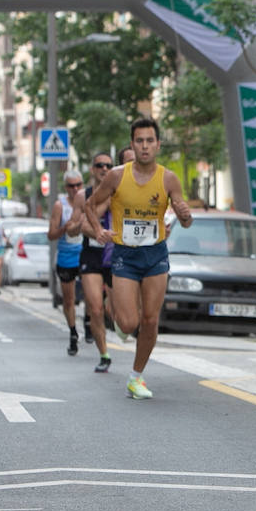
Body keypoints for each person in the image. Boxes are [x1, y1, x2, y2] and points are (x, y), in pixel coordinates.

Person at [88, 117, 193, 400]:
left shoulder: (169, 178)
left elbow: (186, 221)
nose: (145, 146)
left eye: (150, 141)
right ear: (132, 144)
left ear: (158, 145)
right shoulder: (117, 176)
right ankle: (117, 305)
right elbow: (91, 204)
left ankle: (135, 377)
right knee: (128, 324)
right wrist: (98, 230)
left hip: (155, 253)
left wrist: (185, 215)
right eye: (139, 141)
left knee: (149, 319)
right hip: (125, 254)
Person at [78, 152, 115, 373]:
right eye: (100, 165)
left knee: (116, 312)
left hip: (115, 255)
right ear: (93, 169)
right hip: (91, 255)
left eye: (108, 165)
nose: (104, 169)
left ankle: (120, 328)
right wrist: (98, 232)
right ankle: (104, 354)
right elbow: (82, 225)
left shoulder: (121, 192)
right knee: (96, 307)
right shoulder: (86, 195)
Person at [50, 169, 88, 356]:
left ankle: (88, 320)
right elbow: (51, 234)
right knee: (69, 299)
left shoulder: (89, 201)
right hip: (66, 256)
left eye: (78, 185)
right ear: (66, 187)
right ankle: (73, 332)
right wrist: (64, 228)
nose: (75, 189)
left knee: (93, 293)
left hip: (85, 253)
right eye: (71, 186)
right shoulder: (60, 206)